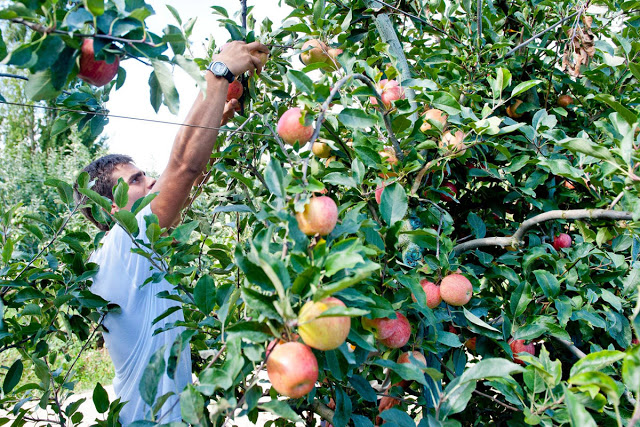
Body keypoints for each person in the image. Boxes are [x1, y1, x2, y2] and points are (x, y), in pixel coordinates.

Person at [73, 40, 269, 425]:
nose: (151, 182)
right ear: (109, 207)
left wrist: (215, 121)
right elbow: (181, 168)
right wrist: (219, 73)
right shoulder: (122, 243)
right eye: (136, 180)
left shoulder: (128, 251)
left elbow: (186, 182)